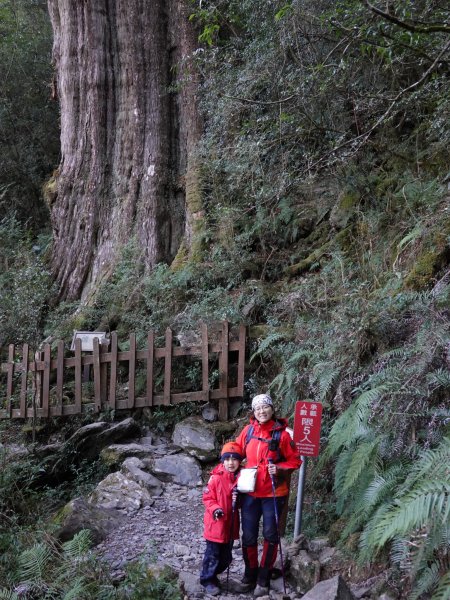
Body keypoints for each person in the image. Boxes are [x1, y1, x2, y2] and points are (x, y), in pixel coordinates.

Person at [235, 393, 301, 597]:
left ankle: (263, 578)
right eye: (257, 409)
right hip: (250, 493)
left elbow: (295, 460)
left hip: (274, 493)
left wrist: (280, 469)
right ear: (253, 413)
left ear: (272, 409)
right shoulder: (248, 431)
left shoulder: (282, 434)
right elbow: (236, 451)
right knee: (248, 536)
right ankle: (249, 575)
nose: (261, 411)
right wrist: (228, 463)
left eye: (265, 407)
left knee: (271, 536)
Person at [199, 441, 243, 596]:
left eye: (234, 459)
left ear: (239, 461)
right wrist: (216, 509)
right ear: (223, 461)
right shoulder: (216, 478)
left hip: (230, 525)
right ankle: (207, 579)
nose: (231, 463)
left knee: (226, 558)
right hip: (216, 524)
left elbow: (241, 504)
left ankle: (212, 574)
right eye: (227, 459)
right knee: (213, 554)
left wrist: (239, 497)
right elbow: (207, 498)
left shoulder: (241, 478)